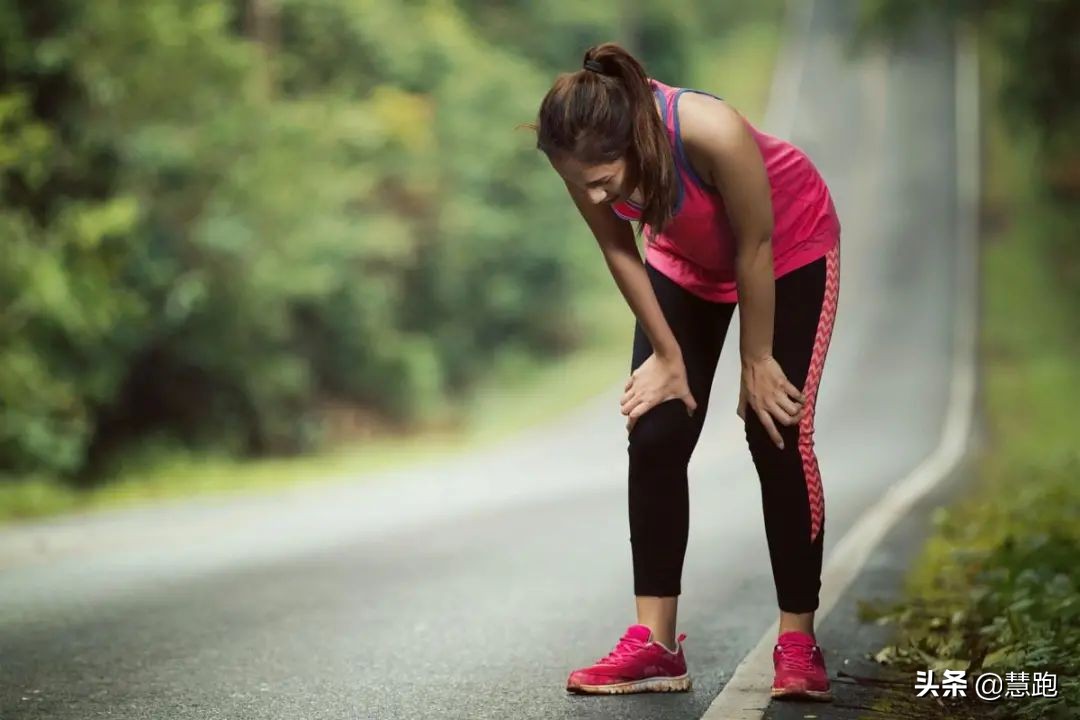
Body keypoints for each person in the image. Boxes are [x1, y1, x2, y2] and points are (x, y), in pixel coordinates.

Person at [527, 43, 841, 701]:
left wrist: (756, 362)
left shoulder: (708, 131)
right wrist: (668, 358)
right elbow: (620, 249)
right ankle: (656, 646)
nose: (591, 193)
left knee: (775, 428)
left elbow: (755, 244)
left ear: (636, 141)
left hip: (787, 249)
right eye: (577, 181)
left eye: (604, 178)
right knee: (656, 430)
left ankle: (797, 642)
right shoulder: (578, 155)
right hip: (682, 261)